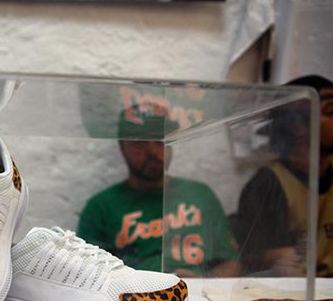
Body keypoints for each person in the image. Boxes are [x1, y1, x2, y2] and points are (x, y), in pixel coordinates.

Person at [77, 104, 240, 277]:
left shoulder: (200, 195)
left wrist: (201, 284)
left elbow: (231, 262)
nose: (152, 151)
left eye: (160, 140)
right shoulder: (100, 208)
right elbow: (88, 276)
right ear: (122, 147)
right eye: (140, 142)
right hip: (134, 293)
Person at [235, 75, 333, 277]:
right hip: (296, 293)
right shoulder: (267, 186)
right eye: (330, 111)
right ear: (297, 126)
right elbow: (268, 265)